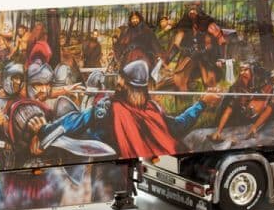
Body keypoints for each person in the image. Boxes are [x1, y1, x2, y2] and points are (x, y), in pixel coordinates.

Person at [52, 60, 216, 156]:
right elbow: (179, 126)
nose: (118, 84)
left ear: (125, 86)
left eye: (121, 81)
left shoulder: (108, 108)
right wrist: (201, 103)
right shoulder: (152, 109)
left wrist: (44, 131)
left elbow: (75, 122)